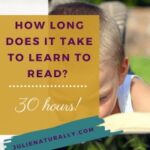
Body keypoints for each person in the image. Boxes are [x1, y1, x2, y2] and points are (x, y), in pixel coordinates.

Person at [49, 2, 150, 118]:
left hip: (118, 81)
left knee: (111, 56)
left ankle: (116, 27)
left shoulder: (137, 94)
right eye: (66, 101)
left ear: (122, 70)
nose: (84, 116)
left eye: (99, 99)